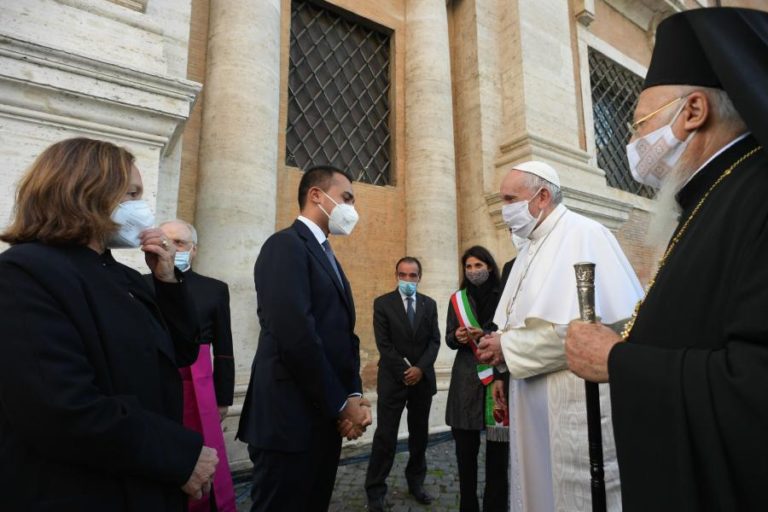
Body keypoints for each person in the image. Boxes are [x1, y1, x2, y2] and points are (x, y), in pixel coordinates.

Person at [565, 8, 768, 511]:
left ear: (694, 110)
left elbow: (756, 387)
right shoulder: (714, 195)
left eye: (638, 123)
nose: (632, 144)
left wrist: (619, 360)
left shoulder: (757, 193)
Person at [0, 137, 218, 512]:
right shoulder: (23, 274)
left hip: (142, 483)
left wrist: (168, 283)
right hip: (78, 491)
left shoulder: (124, 276)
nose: (142, 208)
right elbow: (60, 408)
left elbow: (179, 353)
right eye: (131, 193)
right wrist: (178, 454)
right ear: (86, 191)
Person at [475, 160, 643, 511]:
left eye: (510, 198)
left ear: (542, 196)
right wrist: (503, 370)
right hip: (528, 394)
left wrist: (506, 347)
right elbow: (518, 322)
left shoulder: (585, 234)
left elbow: (593, 329)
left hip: (571, 398)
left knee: (571, 492)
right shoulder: (529, 247)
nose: (504, 209)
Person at [236, 164, 372, 512]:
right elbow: (296, 335)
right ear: (316, 195)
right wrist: (342, 405)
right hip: (288, 421)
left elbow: (343, 336)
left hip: (321, 421)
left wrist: (353, 393)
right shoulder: (285, 246)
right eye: (346, 198)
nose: (351, 210)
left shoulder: (327, 254)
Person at [156, 220, 236, 512]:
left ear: (194, 250)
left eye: (180, 243)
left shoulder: (214, 289)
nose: (172, 248)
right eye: (166, 241)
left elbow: (224, 349)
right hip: (155, 377)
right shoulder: (139, 283)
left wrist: (224, 397)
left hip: (197, 382)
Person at [364, 257, 441, 511]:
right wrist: (406, 370)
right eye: (403, 274)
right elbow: (383, 344)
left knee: (419, 436)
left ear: (420, 277)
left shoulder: (429, 305)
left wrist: (420, 369)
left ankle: (416, 483)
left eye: (413, 275)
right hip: (393, 380)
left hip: (422, 380)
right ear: (395, 274)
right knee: (386, 436)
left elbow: (434, 341)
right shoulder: (383, 304)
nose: (407, 280)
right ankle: (375, 490)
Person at [445, 246, 509, 512]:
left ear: (490, 267)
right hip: (466, 380)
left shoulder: (503, 295)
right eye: (468, 267)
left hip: (498, 377)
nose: (473, 271)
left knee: (498, 456)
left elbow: (506, 333)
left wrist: (481, 332)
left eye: (478, 266)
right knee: (465, 455)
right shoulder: (457, 299)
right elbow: (449, 338)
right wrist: (457, 337)